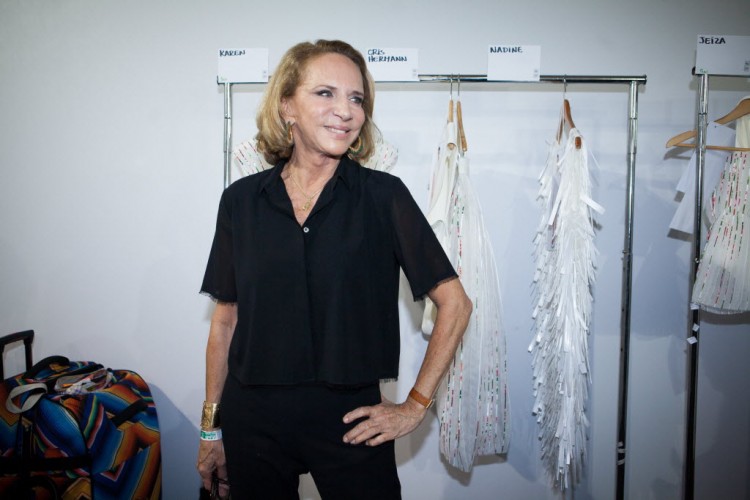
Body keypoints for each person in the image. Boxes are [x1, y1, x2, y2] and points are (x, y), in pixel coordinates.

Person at [196, 39, 472, 499]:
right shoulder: (241, 202)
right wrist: (210, 431)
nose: (345, 110)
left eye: (356, 98)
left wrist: (415, 406)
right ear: (287, 105)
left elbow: (456, 304)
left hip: (352, 421)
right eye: (325, 93)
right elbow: (225, 324)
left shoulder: (384, 197)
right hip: (253, 420)